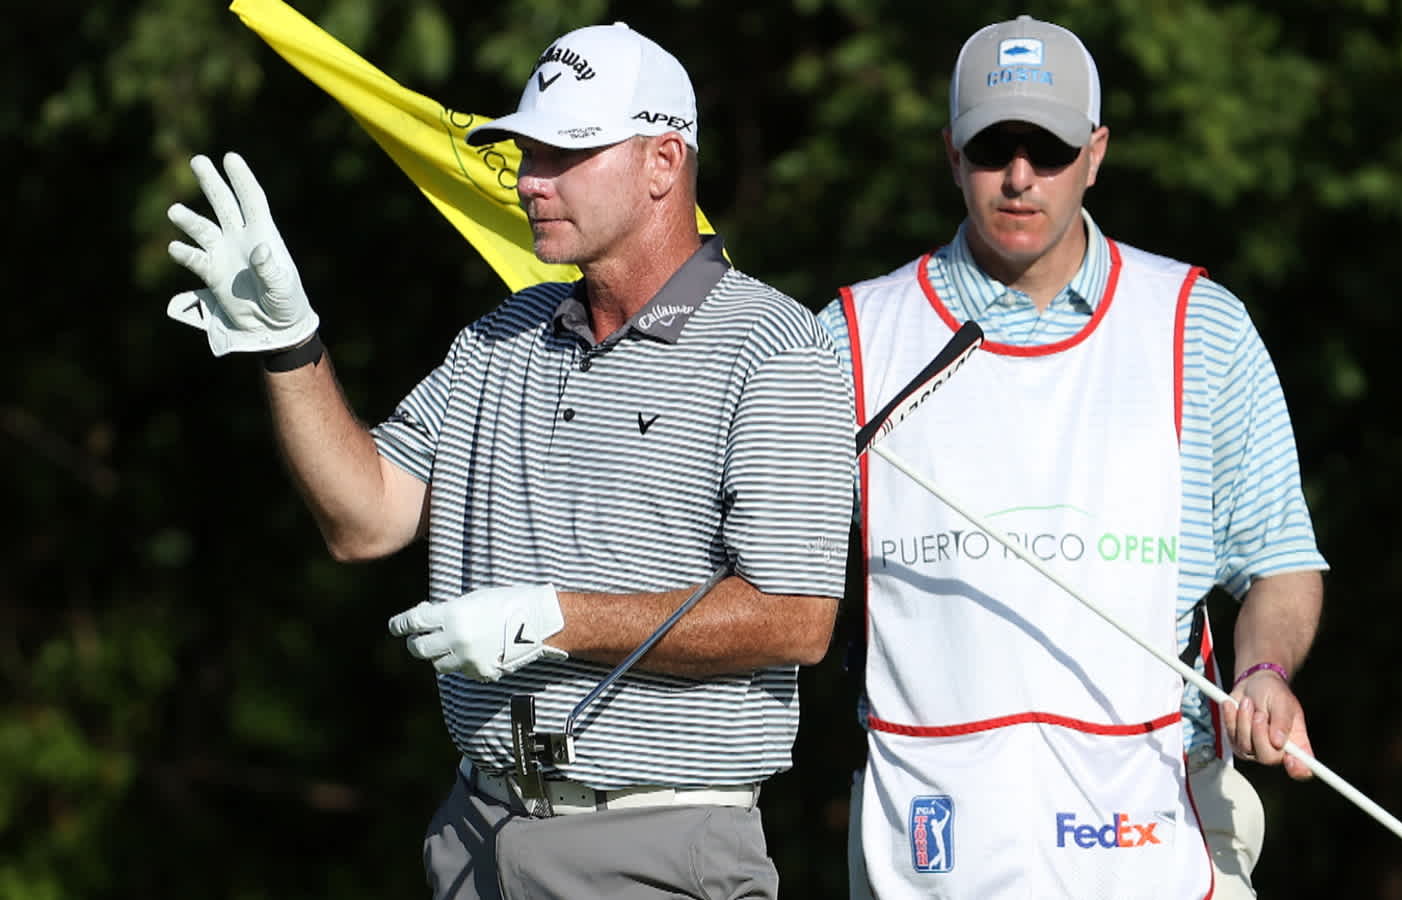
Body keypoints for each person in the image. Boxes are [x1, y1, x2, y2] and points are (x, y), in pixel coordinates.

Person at [165, 21, 855, 900]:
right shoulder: (500, 340)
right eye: (528, 152)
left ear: (662, 162)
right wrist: (288, 346)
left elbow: (794, 618)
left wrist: (553, 619)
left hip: (658, 844)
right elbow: (364, 519)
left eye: (566, 154)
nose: (530, 179)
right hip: (476, 833)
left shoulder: (774, 347)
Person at [816, 15, 1327, 899]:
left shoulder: (1200, 324)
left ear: (1095, 154)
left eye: (1048, 149)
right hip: (932, 839)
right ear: (951, 154)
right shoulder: (849, 340)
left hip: (1157, 825)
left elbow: (1279, 562)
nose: (1020, 177)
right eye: (993, 148)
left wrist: (1264, 673)